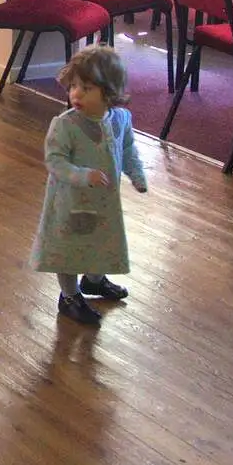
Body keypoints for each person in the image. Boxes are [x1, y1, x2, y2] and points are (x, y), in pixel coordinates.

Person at [30, 46, 147, 326]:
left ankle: (94, 280)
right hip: (70, 202)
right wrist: (83, 176)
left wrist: (137, 174)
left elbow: (128, 149)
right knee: (69, 248)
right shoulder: (65, 125)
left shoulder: (120, 120)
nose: (76, 94)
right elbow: (55, 162)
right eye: (73, 87)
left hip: (105, 201)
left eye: (87, 88)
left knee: (102, 240)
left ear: (109, 92)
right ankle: (69, 296)